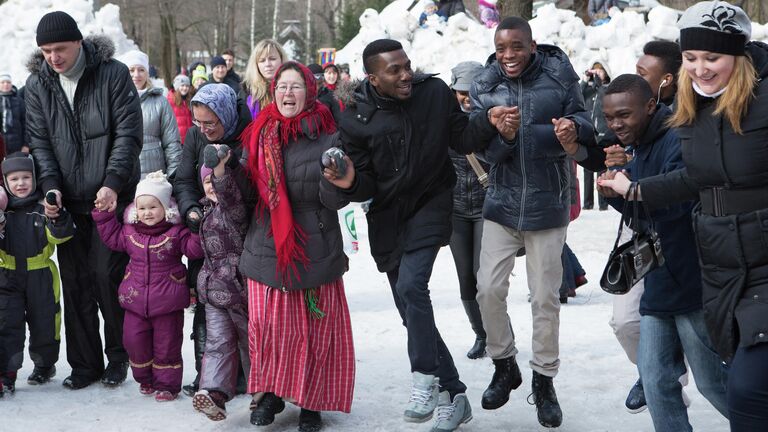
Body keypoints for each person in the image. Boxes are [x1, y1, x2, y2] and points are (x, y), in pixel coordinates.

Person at [326, 39, 514, 432]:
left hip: (432, 202)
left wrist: (487, 121)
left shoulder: (433, 94)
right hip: (388, 216)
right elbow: (366, 186)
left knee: (413, 286)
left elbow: (462, 139)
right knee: (409, 309)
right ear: (372, 77)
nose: (405, 74)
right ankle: (454, 394)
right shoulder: (356, 117)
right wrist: (349, 181)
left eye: (407, 65)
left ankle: (424, 377)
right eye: (394, 70)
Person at [598, 2, 768, 430]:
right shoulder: (694, 110)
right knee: (664, 380)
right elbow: (693, 179)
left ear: (738, 55)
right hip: (723, 268)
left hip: (755, 266)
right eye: (691, 58)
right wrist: (632, 188)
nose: (700, 68)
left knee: (739, 390)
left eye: (712, 57)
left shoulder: (761, 100)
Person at [470, 17, 596, 428]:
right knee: (487, 289)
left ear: (532, 45)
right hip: (502, 203)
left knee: (545, 297)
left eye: (517, 47)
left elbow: (587, 122)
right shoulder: (485, 85)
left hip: (546, 203)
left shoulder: (559, 77)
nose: (509, 55)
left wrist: (571, 131)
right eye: (502, 47)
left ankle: (543, 381)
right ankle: (504, 365)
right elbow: (476, 145)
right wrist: (502, 136)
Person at [600, 74, 729, 431]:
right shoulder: (638, 145)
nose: (616, 125)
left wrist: (634, 190)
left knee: (712, 383)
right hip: (657, 282)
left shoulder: (677, 138)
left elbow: (683, 203)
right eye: (610, 118)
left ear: (650, 106)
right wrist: (619, 194)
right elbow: (642, 216)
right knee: (655, 382)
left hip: (691, 280)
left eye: (624, 115)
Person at [26, 11, 142, 390]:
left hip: (109, 200)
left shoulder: (112, 73)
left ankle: (118, 357)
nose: (53, 58)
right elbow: (40, 144)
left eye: (60, 48)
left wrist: (112, 182)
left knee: (107, 278)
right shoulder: (38, 84)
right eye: (46, 51)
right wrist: (50, 188)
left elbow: (127, 134)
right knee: (75, 283)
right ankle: (84, 364)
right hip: (69, 204)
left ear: (78, 42)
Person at [241, 61, 353, 432]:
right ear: (273, 92)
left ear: (310, 91)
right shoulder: (257, 133)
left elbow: (335, 202)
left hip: (314, 242)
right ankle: (271, 392)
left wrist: (334, 180)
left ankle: (311, 402)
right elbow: (245, 192)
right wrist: (220, 178)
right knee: (269, 326)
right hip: (265, 240)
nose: (288, 94)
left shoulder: (328, 135)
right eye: (282, 87)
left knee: (313, 330)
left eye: (295, 87)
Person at [607, 39, 682, 414]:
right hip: (644, 244)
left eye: (642, 74)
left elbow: (680, 188)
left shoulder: (681, 126)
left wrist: (633, 186)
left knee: (716, 377)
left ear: (662, 86)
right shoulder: (630, 122)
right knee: (624, 322)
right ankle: (655, 372)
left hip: (683, 259)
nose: (616, 123)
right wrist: (616, 179)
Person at [93, 171, 203, 401]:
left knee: (167, 345)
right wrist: (104, 216)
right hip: (135, 300)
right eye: (141, 208)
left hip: (167, 302)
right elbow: (112, 237)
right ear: (135, 210)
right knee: (134, 341)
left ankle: (167, 386)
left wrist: (196, 229)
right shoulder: (130, 233)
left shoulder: (175, 233)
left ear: (166, 208)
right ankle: (144, 377)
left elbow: (193, 250)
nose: (147, 213)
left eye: (153, 207)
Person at [172, 83, 251, 396]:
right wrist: (191, 209)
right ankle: (205, 376)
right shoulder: (195, 136)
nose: (203, 130)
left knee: (243, 309)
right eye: (198, 122)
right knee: (206, 304)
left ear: (227, 117)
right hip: (204, 234)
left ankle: (247, 375)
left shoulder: (247, 134)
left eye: (210, 123)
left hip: (241, 234)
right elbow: (182, 178)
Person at [0, 152, 74, 394]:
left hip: (40, 273)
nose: (20, 183)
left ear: (34, 178)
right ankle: (7, 372)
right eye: (14, 179)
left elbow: (60, 236)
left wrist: (58, 218)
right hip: (7, 275)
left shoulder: (43, 208)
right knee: (7, 323)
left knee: (45, 320)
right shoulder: (3, 211)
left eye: (25, 177)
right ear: (5, 182)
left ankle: (44, 364)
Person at [191, 147, 249, 422]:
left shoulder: (233, 208)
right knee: (217, 343)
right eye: (206, 182)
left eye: (213, 180)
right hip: (214, 292)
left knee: (251, 343)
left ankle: (263, 392)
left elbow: (228, 192)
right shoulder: (207, 211)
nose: (211, 185)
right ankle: (214, 393)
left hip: (239, 290)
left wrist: (220, 171)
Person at [447, 60, 489, 359]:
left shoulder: (492, 117)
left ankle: (498, 332)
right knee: (466, 278)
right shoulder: (443, 120)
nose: (467, 96)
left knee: (482, 276)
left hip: (488, 207)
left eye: (472, 90)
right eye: (462, 90)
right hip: (456, 209)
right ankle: (482, 335)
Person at [119, 50, 182, 178]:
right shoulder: (115, 100)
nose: (136, 75)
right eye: (131, 70)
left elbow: (172, 142)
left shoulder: (160, 102)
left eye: (141, 70)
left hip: (154, 176)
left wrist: (174, 175)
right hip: (123, 176)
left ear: (147, 73)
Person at [581, 61, 611, 211]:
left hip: (602, 131)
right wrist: (586, 79)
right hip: (589, 131)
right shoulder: (589, 89)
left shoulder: (607, 88)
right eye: (595, 70)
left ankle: (603, 203)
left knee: (601, 167)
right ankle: (587, 203)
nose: (597, 73)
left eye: (600, 70)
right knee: (587, 168)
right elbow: (577, 95)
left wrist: (600, 80)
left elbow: (604, 96)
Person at [242, 39, 287, 119]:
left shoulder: (292, 90)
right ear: (256, 65)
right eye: (262, 60)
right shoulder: (246, 92)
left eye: (272, 59)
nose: (268, 64)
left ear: (281, 60)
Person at [0, 73, 26, 154]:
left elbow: (26, 123)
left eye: (8, 82)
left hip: (17, 145)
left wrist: (26, 145)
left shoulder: (19, 101)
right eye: (3, 82)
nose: (6, 84)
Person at [167, 74, 195, 145]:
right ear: (177, 87)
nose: (185, 88)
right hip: (177, 139)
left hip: (189, 139)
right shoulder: (170, 101)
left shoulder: (189, 99)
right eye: (182, 86)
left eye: (187, 86)